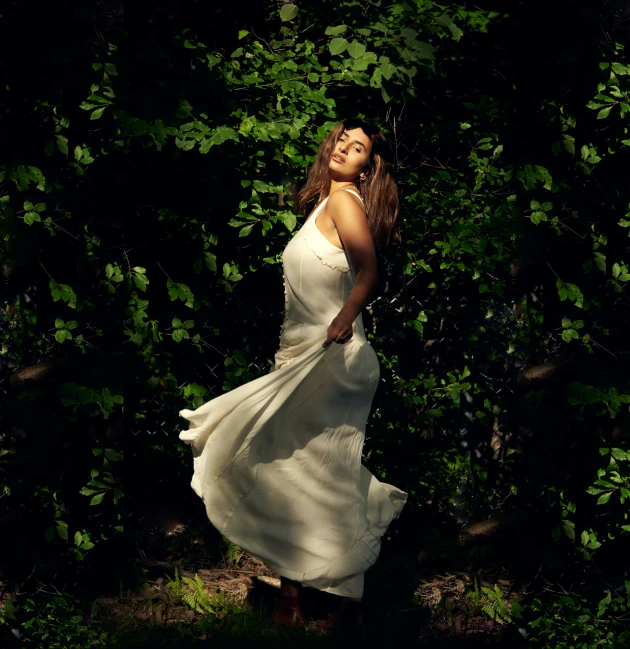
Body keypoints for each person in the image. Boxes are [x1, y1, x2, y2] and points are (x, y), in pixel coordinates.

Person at [178, 118, 407, 631]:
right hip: (306, 357)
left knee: (308, 471)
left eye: (358, 151)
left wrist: (344, 320)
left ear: (366, 170)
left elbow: (370, 272)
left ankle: (316, 600)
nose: (346, 151)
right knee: (302, 474)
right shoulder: (324, 205)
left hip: (336, 357)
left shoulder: (347, 201)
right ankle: (311, 599)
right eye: (344, 142)